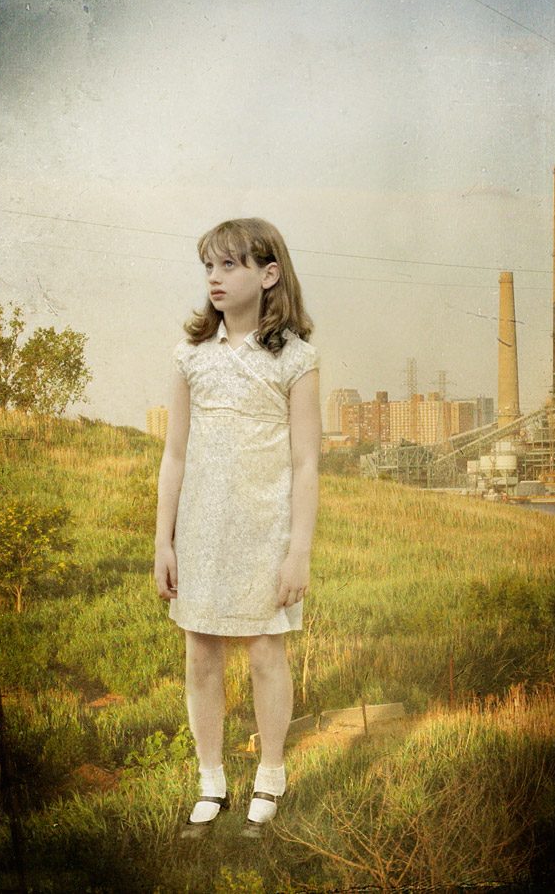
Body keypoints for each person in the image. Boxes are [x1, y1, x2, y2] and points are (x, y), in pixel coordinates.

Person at [153, 217, 321, 834]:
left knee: (265, 652)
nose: (215, 278)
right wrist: (162, 540)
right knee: (201, 654)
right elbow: (174, 454)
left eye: (230, 265)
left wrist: (297, 550)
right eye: (209, 267)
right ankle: (212, 781)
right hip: (201, 530)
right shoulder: (190, 356)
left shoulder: (296, 359)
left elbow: (306, 463)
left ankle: (271, 777)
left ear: (268, 274)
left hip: (266, 532)